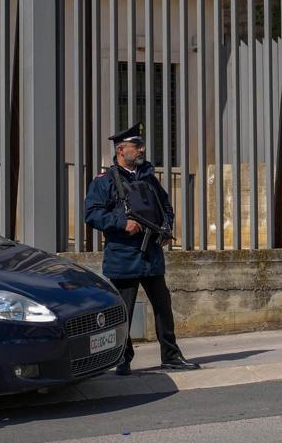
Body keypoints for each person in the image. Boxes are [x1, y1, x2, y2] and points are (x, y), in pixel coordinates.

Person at [82, 122, 202, 376]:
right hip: (123, 255)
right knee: (123, 311)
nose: (141, 150)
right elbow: (92, 214)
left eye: (140, 145)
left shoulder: (148, 179)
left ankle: (171, 355)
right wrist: (121, 223)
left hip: (151, 254)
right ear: (121, 150)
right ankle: (123, 358)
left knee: (163, 306)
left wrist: (166, 230)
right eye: (137, 146)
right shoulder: (105, 181)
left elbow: (166, 207)